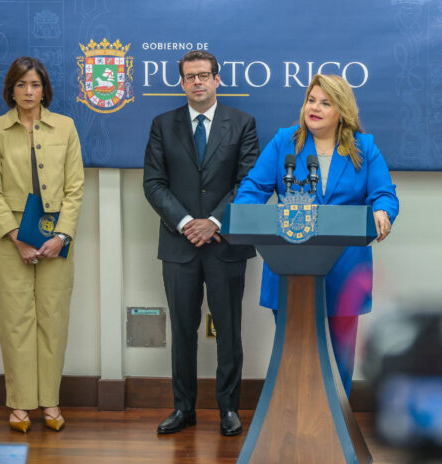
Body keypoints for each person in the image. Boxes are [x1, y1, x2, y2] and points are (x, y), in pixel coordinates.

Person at [234, 74, 399, 396]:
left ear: (342, 111)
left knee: (339, 358)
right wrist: (245, 213)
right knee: (295, 354)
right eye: (311, 100)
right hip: (290, 265)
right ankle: (292, 419)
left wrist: (382, 211)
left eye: (325, 103)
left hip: (344, 269)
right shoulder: (284, 141)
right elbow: (253, 188)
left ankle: (336, 419)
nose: (315, 108)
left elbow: (384, 193)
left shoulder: (364, 147)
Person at [143, 50, 259, 436]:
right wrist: (186, 223)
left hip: (225, 243)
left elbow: (248, 182)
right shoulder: (163, 125)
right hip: (179, 246)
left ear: (217, 79)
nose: (197, 82)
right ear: (181, 83)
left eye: (204, 75)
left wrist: (213, 222)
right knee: (182, 330)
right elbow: (153, 183)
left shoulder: (242, 123)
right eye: (190, 76)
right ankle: (183, 408)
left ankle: (229, 409)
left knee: (229, 329)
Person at [0, 57, 84, 433]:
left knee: (53, 320)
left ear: (45, 90)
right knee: (16, 321)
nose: (28, 91)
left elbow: (75, 187)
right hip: (11, 241)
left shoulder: (65, 127)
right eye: (21, 85)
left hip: (57, 238)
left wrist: (61, 236)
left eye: (35, 85)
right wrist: (16, 238)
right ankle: (21, 403)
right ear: (11, 90)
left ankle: (50, 401)